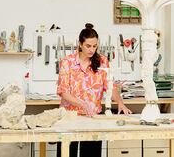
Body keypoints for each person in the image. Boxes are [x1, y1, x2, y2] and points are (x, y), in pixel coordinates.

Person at [56, 23, 132, 157]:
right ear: (80, 44)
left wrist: (120, 102)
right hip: (69, 117)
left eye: (95, 46)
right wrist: (82, 104)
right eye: (88, 46)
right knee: (67, 154)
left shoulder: (102, 61)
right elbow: (63, 91)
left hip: (93, 118)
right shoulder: (67, 62)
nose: (92, 50)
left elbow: (110, 86)